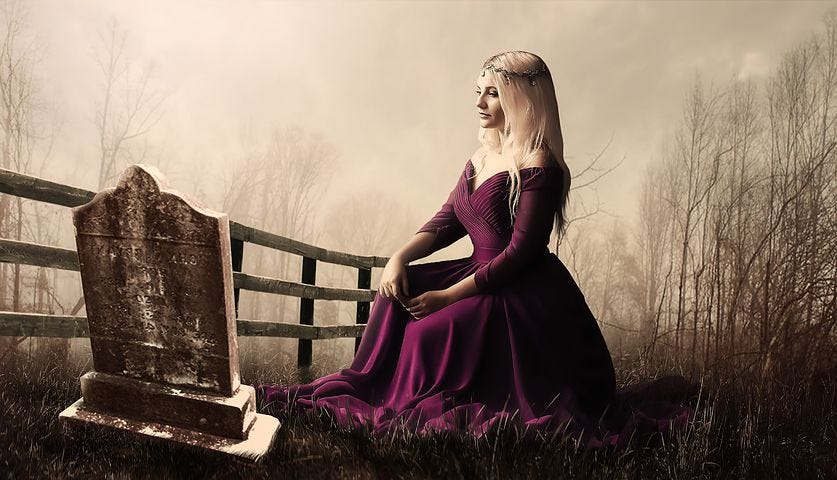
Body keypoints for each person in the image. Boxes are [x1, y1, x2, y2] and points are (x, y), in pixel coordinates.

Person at [258, 51, 696, 449]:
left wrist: (447, 297)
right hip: (475, 271)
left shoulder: (538, 162)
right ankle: (375, 389)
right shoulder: (481, 158)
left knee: (428, 330)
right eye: (479, 92)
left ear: (522, 99)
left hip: (517, 289)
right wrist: (399, 258)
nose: (481, 102)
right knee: (393, 299)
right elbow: (447, 218)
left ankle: (420, 399)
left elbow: (522, 252)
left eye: (493, 93)